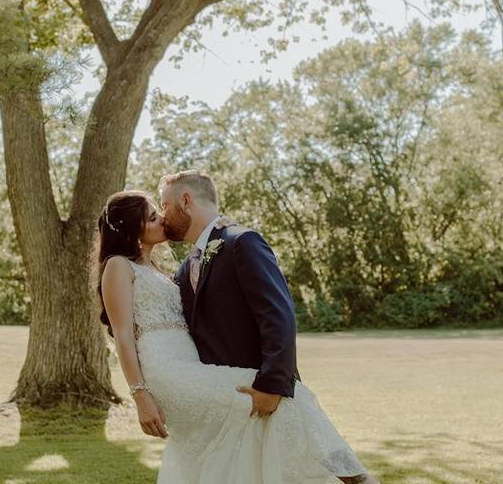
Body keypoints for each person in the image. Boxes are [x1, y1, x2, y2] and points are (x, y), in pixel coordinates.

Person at [96, 184, 379, 483]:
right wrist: (140, 396)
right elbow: (124, 336)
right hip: (166, 374)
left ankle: (340, 474)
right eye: (153, 217)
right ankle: (350, 476)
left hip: (193, 368)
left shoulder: (164, 269)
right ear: (132, 229)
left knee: (252, 429)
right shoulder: (117, 266)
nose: (162, 219)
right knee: (276, 396)